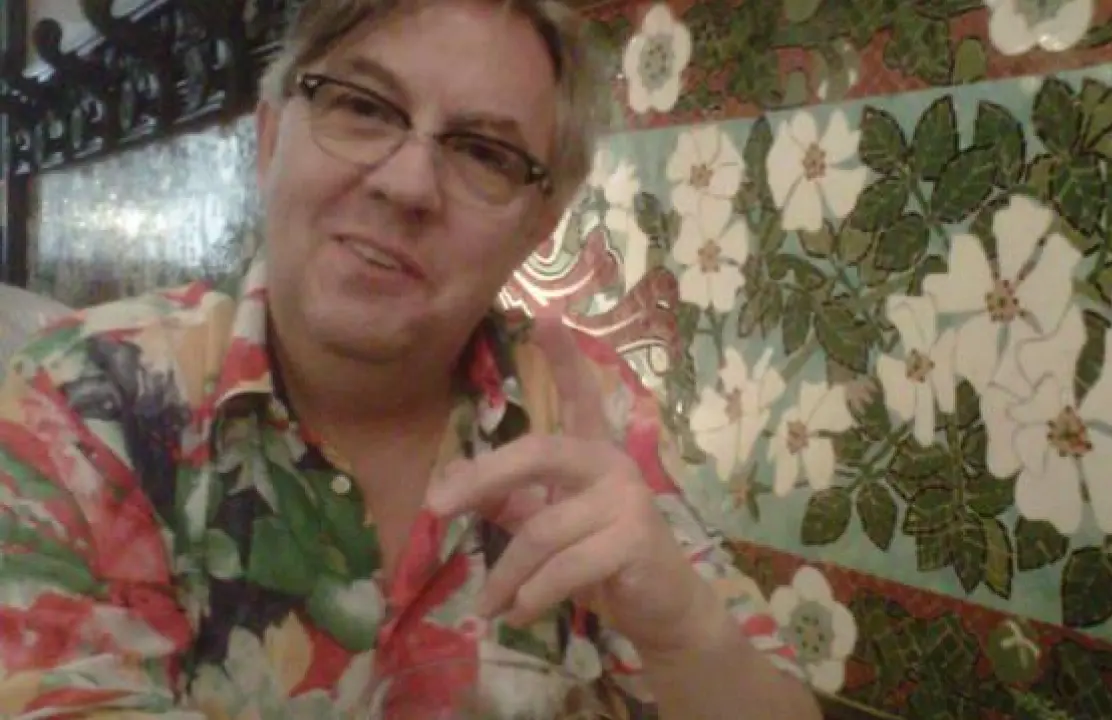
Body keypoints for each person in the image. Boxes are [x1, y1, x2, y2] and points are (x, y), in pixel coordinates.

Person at [0, 0, 824, 717]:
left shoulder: (585, 411)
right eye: (363, 106)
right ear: (271, 138)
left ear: (538, 229)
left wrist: (684, 633)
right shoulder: (72, 402)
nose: (407, 184)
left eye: (485, 152)